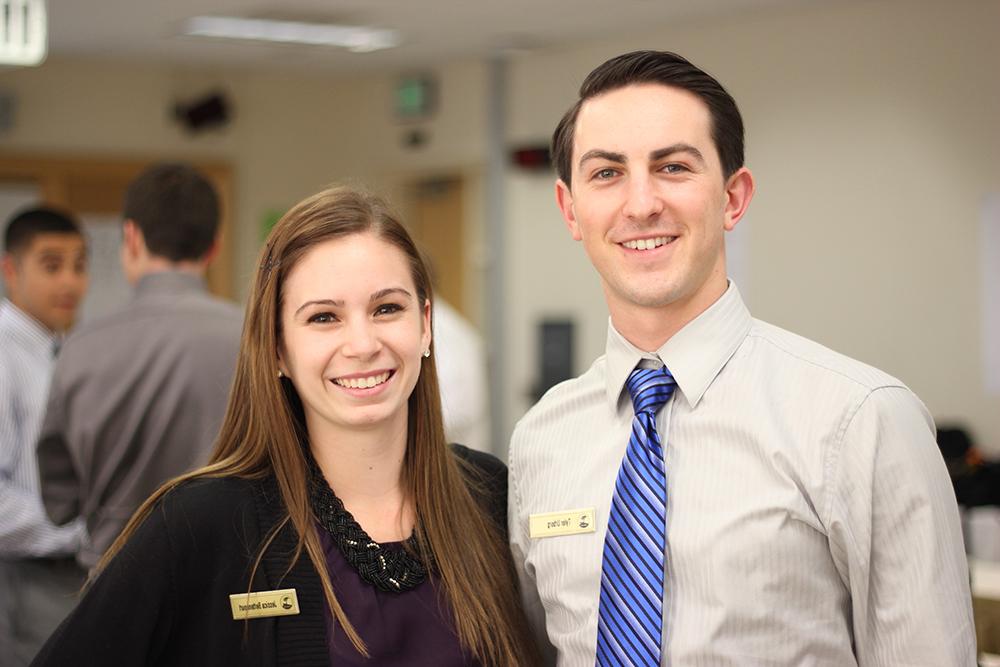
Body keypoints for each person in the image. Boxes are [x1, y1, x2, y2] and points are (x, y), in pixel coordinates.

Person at [508, 50, 975, 665]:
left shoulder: (863, 421)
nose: (641, 203)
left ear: (733, 197)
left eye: (673, 166)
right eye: (607, 173)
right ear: (571, 209)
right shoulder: (543, 437)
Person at [32, 187, 539, 666]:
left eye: (387, 309)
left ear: (424, 325)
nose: (362, 344)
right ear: (277, 348)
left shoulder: (490, 494)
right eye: (323, 317)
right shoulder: (200, 522)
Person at [35, 163, 242, 572]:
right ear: (214, 246)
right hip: (227, 576)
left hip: (115, 578)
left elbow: (59, 505)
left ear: (130, 236)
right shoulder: (255, 339)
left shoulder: (81, 348)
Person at [0, 206, 88, 665]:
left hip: (64, 571)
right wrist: (79, 530)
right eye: (52, 265)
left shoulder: (59, 347)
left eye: (79, 265)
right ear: (10, 269)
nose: (70, 282)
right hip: (22, 576)